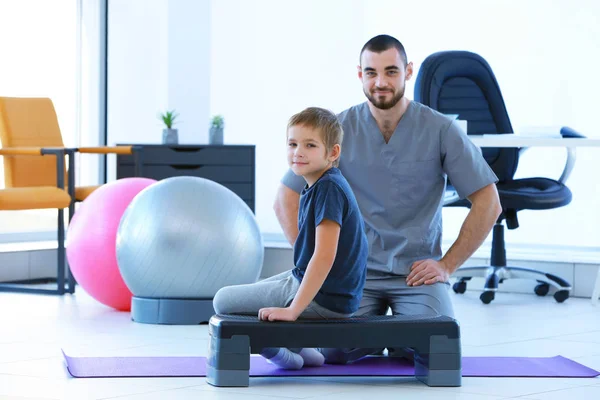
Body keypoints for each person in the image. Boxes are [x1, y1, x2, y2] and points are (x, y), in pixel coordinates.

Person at [273, 34, 502, 363]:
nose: (380, 82)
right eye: (371, 72)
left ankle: (398, 339)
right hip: (355, 276)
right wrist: (313, 265)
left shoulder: (439, 129)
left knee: (436, 349)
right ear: (360, 74)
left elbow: (488, 201)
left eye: (391, 71)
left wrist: (447, 264)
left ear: (408, 72)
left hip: (416, 273)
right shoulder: (337, 129)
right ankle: (384, 338)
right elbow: (285, 198)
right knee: (332, 352)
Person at [213, 107, 369, 370]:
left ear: (332, 153)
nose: (298, 152)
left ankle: (285, 355)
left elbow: (324, 256)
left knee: (223, 301)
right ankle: (305, 352)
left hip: (327, 299)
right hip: (318, 287)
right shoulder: (317, 184)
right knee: (254, 292)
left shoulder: (329, 188)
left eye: (310, 145)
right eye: (293, 144)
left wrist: (293, 311)